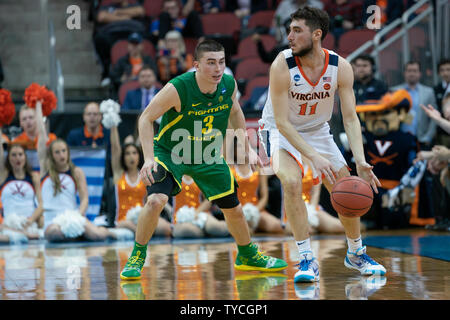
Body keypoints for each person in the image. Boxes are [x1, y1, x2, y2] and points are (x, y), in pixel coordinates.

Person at [120, 39, 288, 280]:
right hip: (171, 152)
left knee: (235, 210)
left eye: (221, 62)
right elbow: (145, 119)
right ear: (196, 65)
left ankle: (247, 255)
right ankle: (137, 254)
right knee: (156, 200)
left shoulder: (228, 84)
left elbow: (236, 111)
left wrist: (248, 147)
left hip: (207, 155)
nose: (218, 69)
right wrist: (148, 158)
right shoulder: (178, 88)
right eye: (211, 63)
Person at [258, 7, 385, 283]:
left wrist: (360, 160)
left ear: (317, 34)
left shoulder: (341, 66)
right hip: (278, 132)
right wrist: (313, 157)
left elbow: (351, 118)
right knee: (291, 182)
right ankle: (305, 259)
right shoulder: (282, 65)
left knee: (345, 183)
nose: (289, 36)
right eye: (289, 30)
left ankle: (355, 253)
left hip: (318, 130)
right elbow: (281, 123)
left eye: (297, 30)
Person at [35, 101, 114, 242]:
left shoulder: (76, 172)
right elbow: (41, 140)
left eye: (64, 151)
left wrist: (78, 215)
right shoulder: (46, 169)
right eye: (57, 152)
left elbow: (84, 199)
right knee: (55, 233)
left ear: (68, 152)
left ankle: (109, 231)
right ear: (52, 155)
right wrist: (38, 107)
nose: (61, 155)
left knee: (98, 236)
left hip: (72, 216)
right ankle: (76, 235)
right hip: (52, 219)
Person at [110, 123, 171, 236]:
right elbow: (115, 149)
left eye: (134, 153)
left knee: (166, 228)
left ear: (139, 156)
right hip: (123, 221)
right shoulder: (119, 174)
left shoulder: (145, 174)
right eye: (127, 154)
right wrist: (113, 125)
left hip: (141, 218)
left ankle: (143, 233)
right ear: (123, 157)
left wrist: (168, 208)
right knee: (130, 227)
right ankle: (142, 233)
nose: (131, 157)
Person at [0, 135, 43, 242]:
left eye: (20, 154)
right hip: (9, 223)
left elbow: (42, 204)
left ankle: (20, 236)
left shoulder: (34, 177)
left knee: (43, 221)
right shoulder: (3, 175)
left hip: (28, 221)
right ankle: (20, 236)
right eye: (13, 155)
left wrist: (31, 220)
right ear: (8, 158)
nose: (17, 158)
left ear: (25, 157)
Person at [93, 0, 146, 86]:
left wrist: (117, 12)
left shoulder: (133, 4)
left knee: (142, 38)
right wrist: (124, 17)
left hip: (132, 31)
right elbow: (101, 17)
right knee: (100, 39)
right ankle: (107, 73)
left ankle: (142, 72)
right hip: (111, 33)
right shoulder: (108, 6)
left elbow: (140, 11)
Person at [391, 61, 437, 149]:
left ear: (420, 73)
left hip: (422, 138)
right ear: (404, 73)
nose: (412, 74)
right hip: (400, 138)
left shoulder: (428, 92)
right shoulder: (394, 91)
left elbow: (434, 118)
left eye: (415, 71)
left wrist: (428, 136)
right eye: (409, 71)